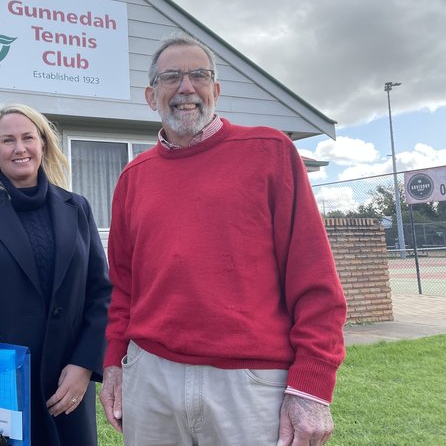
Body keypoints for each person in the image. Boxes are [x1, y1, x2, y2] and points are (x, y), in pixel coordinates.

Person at [99, 33, 347, 445]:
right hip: (151, 377)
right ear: (150, 95)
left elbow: (315, 280)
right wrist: (114, 365)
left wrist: (311, 386)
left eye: (199, 75)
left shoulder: (269, 151)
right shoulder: (133, 178)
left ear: (215, 90)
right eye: (171, 77)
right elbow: (122, 288)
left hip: (249, 384)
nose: (185, 88)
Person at [0, 103, 111, 446]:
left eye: (28, 137)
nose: (20, 148)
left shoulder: (77, 209)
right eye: (7, 140)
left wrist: (85, 365)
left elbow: (101, 293)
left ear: (43, 144)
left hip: (67, 391)